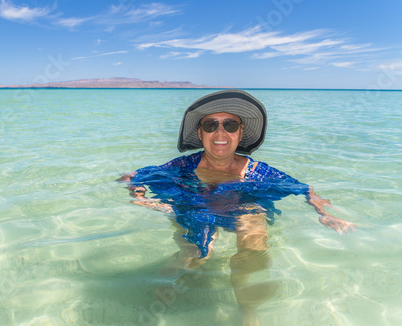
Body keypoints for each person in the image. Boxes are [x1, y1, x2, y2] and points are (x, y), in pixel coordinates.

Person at [118, 89, 356, 325]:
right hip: (194, 208)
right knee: (195, 255)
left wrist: (326, 215)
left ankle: (249, 312)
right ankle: (155, 307)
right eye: (211, 125)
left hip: (241, 209)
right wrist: (141, 197)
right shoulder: (181, 167)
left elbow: (305, 189)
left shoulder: (258, 173)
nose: (220, 132)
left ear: (241, 132)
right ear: (200, 133)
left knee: (253, 243)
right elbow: (131, 176)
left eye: (230, 125)